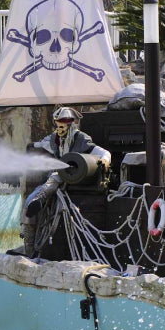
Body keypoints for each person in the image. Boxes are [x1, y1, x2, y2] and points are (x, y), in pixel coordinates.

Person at [22, 106, 112, 254]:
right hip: (57, 175)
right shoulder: (53, 139)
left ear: (72, 122)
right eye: (59, 121)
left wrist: (105, 160)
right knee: (29, 203)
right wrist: (31, 147)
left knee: (54, 179)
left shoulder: (82, 139)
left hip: (75, 176)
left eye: (65, 121)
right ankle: (29, 249)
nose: (62, 124)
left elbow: (103, 152)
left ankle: (41, 196)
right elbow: (39, 145)